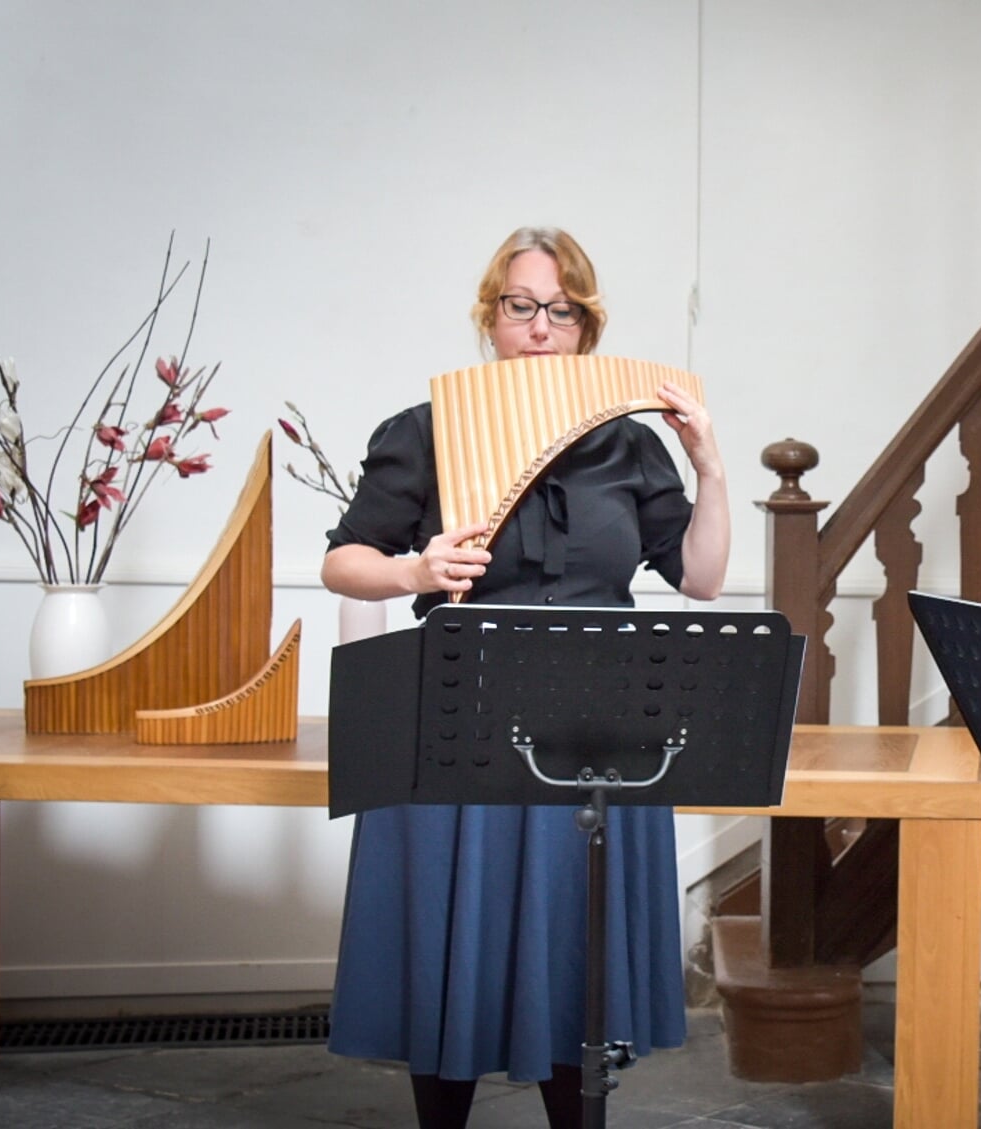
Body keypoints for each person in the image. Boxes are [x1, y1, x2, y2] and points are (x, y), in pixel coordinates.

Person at [321, 226, 728, 1129]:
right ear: (490, 317)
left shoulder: (628, 447)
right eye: (521, 307)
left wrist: (707, 464)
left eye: (561, 309)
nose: (540, 327)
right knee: (453, 935)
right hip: (463, 705)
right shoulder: (424, 430)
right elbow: (345, 561)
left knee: (569, 936)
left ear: (585, 326)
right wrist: (415, 574)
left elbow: (699, 576)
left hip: (598, 715)